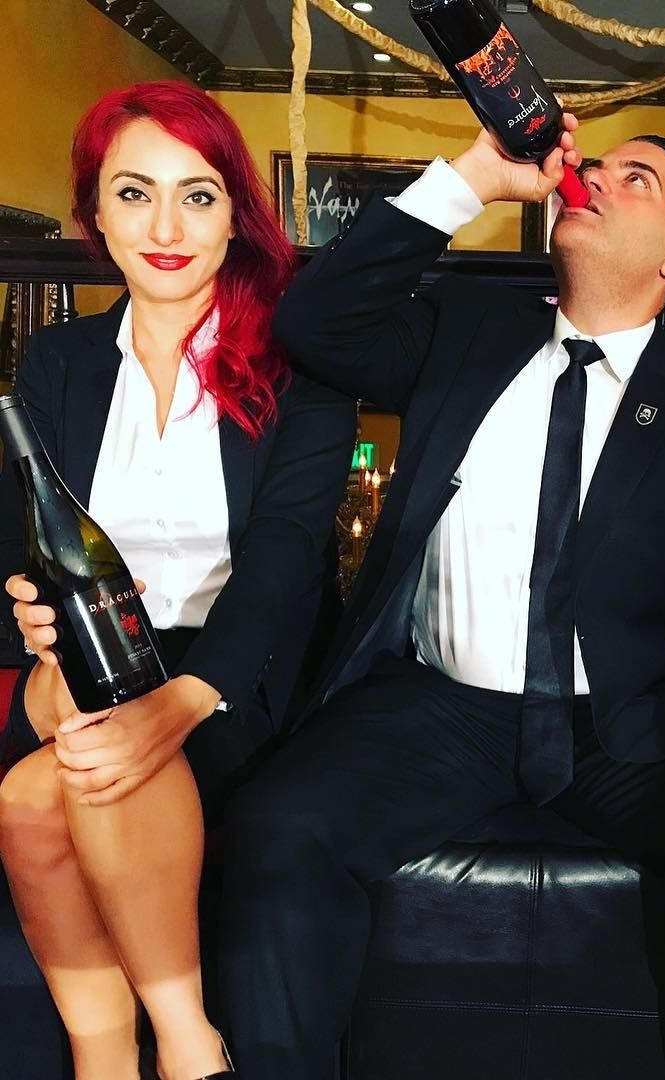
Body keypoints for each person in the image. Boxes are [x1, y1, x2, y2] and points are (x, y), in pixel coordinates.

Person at [217, 116, 665, 1080]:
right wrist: (472, 178)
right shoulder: (467, 331)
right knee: (275, 833)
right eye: (597, 165)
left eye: (638, 178)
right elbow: (315, 324)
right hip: (436, 706)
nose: (597, 178)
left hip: (619, 722)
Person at [0, 81, 356, 1080]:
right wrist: (30, 617)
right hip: (85, 660)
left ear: (235, 215)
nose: (165, 229)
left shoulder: (301, 369)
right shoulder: (59, 361)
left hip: (240, 671)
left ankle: (171, 1052)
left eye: (197, 196)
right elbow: (27, 544)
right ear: (94, 212)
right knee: (61, 765)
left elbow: (286, 559)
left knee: (41, 795)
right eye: (134, 193)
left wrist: (179, 702)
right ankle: (145, 1052)